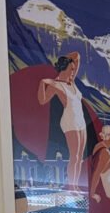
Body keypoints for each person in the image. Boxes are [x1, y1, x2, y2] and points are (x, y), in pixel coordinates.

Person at [37, 52, 87, 192]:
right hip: (70, 121)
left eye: (74, 69)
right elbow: (42, 100)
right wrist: (42, 83)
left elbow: (77, 55)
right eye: (71, 69)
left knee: (80, 157)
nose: (73, 71)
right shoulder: (57, 85)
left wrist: (67, 60)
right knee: (74, 156)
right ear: (64, 69)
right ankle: (71, 186)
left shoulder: (71, 81)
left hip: (80, 121)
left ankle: (76, 185)